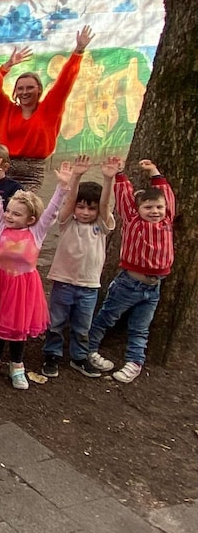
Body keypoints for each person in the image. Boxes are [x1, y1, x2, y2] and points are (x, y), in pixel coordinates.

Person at [0, 155, 75, 390]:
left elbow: (51, 211)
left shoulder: (37, 232)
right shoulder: (1, 225)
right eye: (9, 211)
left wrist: (62, 187)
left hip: (23, 286)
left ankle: (17, 365)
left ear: (31, 219)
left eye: (16, 214)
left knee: (18, 327)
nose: (9, 216)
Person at [79, 160, 174, 384]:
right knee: (106, 318)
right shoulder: (134, 221)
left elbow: (167, 196)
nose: (155, 211)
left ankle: (134, 362)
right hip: (128, 284)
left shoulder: (167, 221)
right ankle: (88, 350)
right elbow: (124, 199)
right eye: (148, 208)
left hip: (154, 287)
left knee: (140, 328)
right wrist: (119, 174)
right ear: (138, 209)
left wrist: (154, 172)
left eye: (158, 207)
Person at [0, 26, 94, 193]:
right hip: (2, 167)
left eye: (30, 87)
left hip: (32, 173)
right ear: (15, 91)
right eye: (20, 88)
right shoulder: (5, 109)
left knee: (23, 205)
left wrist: (79, 51)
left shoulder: (50, 108)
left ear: (39, 89)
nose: (24, 92)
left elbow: (64, 82)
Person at [41, 157, 117, 379]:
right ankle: (51, 355)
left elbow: (105, 205)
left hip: (89, 286)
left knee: (82, 326)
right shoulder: (67, 222)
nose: (85, 212)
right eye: (81, 207)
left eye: (90, 208)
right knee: (56, 323)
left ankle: (79, 357)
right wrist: (76, 176)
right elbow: (69, 201)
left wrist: (108, 179)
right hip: (63, 282)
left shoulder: (102, 225)